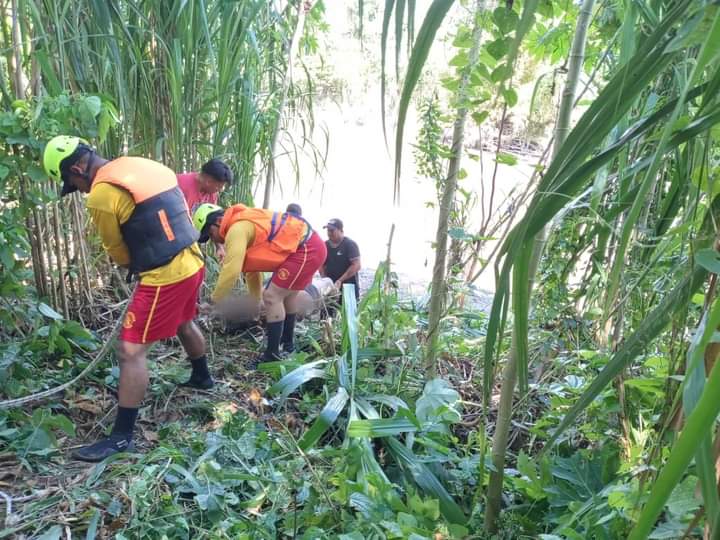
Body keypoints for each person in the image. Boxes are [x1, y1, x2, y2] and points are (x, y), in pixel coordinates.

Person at [43, 136, 212, 462]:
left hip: (167, 275)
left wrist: (134, 268)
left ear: (78, 167)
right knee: (184, 321)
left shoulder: (102, 195)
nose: (78, 189)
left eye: (73, 182)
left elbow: (117, 249)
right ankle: (202, 377)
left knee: (130, 350)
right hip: (194, 260)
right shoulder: (140, 164)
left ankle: (121, 437)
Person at [192, 203, 326, 364]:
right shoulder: (242, 225)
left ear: (218, 221)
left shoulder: (237, 229)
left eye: (209, 233)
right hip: (309, 246)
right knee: (288, 297)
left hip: (306, 248)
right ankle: (288, 345)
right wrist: (255, 301)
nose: (212, 239)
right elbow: (252, 271)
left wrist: (214, 301)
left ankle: (272, 355)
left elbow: (231, 270)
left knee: (271, 296)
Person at [177, 159, 233, 260]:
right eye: (219, 187)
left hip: (190, 240)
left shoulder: (212, 194)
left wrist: (219, 248)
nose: (219, 190)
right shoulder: (180, 185)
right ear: (208, 181)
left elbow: (212, 221)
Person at [321, 218, 361, 301]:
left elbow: (356, 265)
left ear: (340, 230)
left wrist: (340, 280)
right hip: (330, 287)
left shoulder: (350, 244)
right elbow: (321, 264)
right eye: (328, 230)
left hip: (348, 287)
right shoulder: (325, 245)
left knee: (349, 312)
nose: (329, 233)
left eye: (332, 231)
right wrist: (325, 279)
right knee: (328, 311)